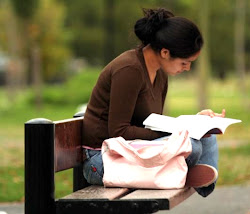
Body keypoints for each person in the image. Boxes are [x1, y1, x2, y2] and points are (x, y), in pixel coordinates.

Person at [82, 8, 225, 197]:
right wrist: (175, 132)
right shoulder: (129, 69)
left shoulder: (160, 75)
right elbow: (118, 132)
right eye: (184, 62)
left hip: (132, 152)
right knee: (191, 144)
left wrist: (195, 123)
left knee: (206, 136)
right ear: (165, 52)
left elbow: (151, 122)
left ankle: (195, 179)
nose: (188, 68)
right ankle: (182, 173)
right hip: (105, 160)